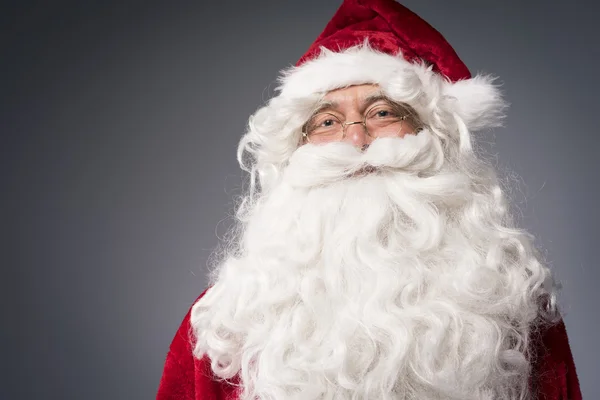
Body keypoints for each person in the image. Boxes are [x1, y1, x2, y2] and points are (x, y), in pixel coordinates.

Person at [157, 0, 581, 399]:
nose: (356, 139)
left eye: (382, 113)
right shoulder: (226, 321)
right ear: (298, 150)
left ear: (431, 137)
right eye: (327, 121)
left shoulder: (513, 309)